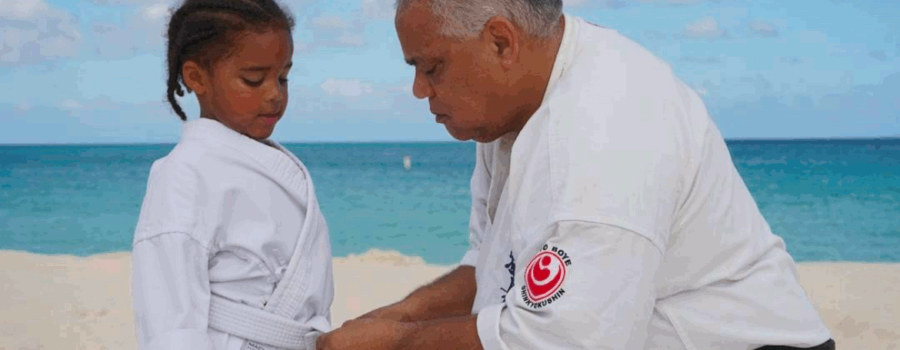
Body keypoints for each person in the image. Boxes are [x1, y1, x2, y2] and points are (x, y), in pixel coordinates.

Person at [315, 0, 836, 349]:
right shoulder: (509, 114)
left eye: (431, 67)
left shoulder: (607, 123)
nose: (419, 91)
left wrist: (398, 342)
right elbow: (493, 267)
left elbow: (568, 340)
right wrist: (397, 318)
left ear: (501, 43)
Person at [131, 1, 333, 349]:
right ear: (196, 77)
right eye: (253, 79)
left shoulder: (266, 162)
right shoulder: (183, 174)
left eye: (283, 77)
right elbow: (170, 322)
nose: (275, 94)